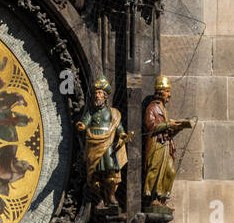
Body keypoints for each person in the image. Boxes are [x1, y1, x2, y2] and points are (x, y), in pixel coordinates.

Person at [76, 76, 131, 207]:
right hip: (93, 143)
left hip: (107, 144)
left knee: (110, 171)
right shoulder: (91, 112)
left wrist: (122, 134)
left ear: (105, 96)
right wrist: (81, 126)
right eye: (96, 93)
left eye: (100, 93)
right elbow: (84, 122)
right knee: (95, 174)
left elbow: (118, 126)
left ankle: (111, 196)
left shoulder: (113, 112)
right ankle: (100, 198)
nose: (97, 96)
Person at [142, 74, 194, 207]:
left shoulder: (164, 109)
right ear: (160, 92)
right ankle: (153, 197)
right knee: (155, 169)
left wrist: (178, 127)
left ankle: (162, 198)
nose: (169, 95)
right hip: (156, 144)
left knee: (169, 170)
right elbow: (150, 126)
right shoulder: (152, 108)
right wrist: (168, 125)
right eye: (167, 91)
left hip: (166, 144)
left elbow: (167, 129)